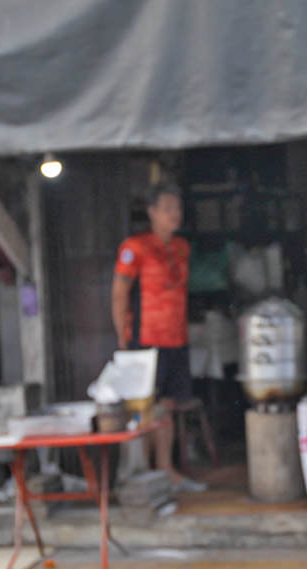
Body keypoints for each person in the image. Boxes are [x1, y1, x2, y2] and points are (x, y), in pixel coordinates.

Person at [111, 181, 205, 492]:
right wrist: (123, 339)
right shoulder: (134, 247)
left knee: (168, 405)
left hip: (175, 338)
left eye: (177, 208)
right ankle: (145, 472)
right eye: (167, 208)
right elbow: (119, 293)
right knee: (144, 407)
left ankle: (166, 469)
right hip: (145, 338)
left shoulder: (181, 247)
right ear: (151, 212)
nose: (174, 214)